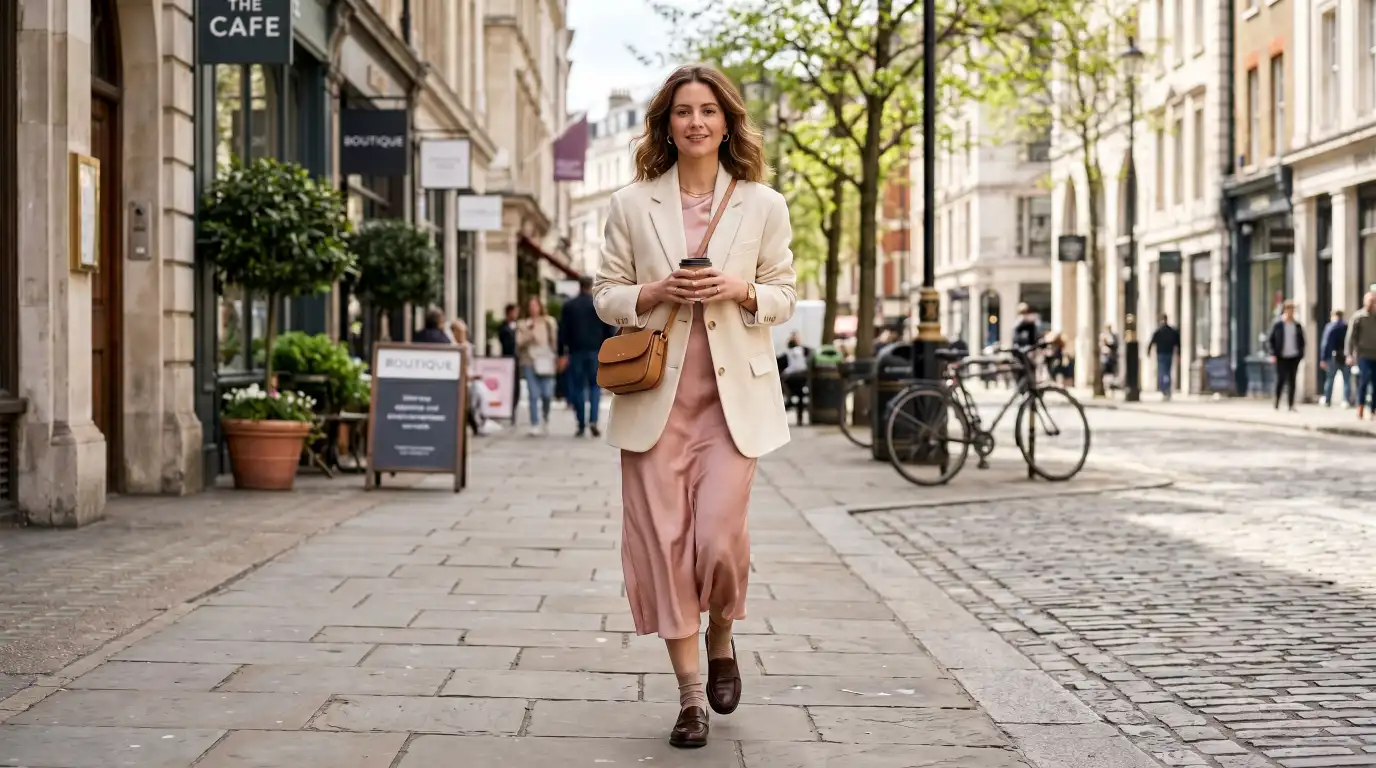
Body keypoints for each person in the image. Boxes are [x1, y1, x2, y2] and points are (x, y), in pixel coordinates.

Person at [592, 63, 796, 749]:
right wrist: (652, 293)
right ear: (667, 124)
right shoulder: (631, 204)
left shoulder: (763, 204)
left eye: (709, 110)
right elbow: (605, 294)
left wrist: (741, 290)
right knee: (664, 547)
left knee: (717, 541)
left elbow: (785, 295)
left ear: (727, 121)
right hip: (655, 402)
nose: (697, 122)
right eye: (683, 111)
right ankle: (688, 700)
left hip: (732, 405)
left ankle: (724, 636)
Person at [558, 276, 616, 437]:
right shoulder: (598, 305)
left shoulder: (569, 306)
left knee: (577, 387)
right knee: (594, 387)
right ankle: (593, 420)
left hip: (575, 351)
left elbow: (562, 331)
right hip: (596, 351)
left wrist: (561, 352)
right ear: (591, 286)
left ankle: (581, 423)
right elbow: (608, 330)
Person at [516, 296, 559, 436]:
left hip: (545, 361)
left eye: (535, 305)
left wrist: (556, 357)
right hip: (529, 362)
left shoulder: (548, 322)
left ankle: (545, 415)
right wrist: (530, 333)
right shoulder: (523, 324)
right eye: (530, 306)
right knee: (533, 394)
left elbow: (554, 342)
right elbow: (519, 343)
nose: (533, 308)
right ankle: (534, 423)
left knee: (547, 394)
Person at [1267, 300, 1306, 412]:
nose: (1291, 312)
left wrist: (1301, 353)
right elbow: (1271, 340)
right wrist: (1273, 353)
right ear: (1285, 310)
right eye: (1289, 309)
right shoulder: (1278, 324)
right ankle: (1277, 402)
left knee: (1292, 381)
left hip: (1294, 356)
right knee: (1280, 380)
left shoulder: (1297, 325)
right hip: (1281, 356)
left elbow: (1302, 341)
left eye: (1292, 310)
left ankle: (1290, 405)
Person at [1346, 291, 1376, 419]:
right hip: (1364, 354)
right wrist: (1349, 354)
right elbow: (1351, 336)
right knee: (1364, 380)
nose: (1371, 304)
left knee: (1375, 383)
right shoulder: (1359, 316)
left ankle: (1373, 410)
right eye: (1370, 301)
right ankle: (1361, 407)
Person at [1319, 309, 1352, 408]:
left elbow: (1325, 343)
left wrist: (1323, 358)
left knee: (1330, 379)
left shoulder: (1330, 327)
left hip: (1332, 356)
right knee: (1346, 380)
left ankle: (1327, 399)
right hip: (1345, 356)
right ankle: (1346, 400)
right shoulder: (1346, 326)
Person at [1148, 314, 1181, 400]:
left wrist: (1148, 351)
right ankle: (1167, 389)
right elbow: (1178, 343)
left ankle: (1164, 389)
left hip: (1161, 354)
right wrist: (1178, 354)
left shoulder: (1159, 331)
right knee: (1167, 372)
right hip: (1169, 353)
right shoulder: (1172, 331)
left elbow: (1152, 342)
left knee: (1162, 372)